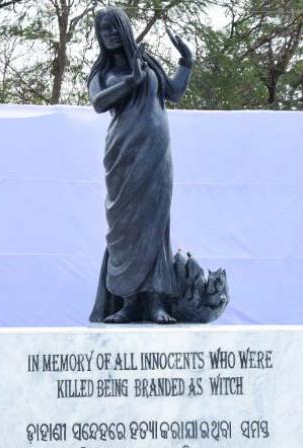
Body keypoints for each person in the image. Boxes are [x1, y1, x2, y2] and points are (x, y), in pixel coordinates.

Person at [87, 6, 192, 324]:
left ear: (125, 29)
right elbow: (98, 102)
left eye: (115, 27)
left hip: (157, 157)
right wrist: (130, 81)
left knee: (155, 225)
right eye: (104, 30)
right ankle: (130, 303)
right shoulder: (101, 72)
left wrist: (186, 61)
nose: (110, 34)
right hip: (123, 156)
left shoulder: (149, 64)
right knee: (125, 227)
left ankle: (155, 301)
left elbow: (174, 92)